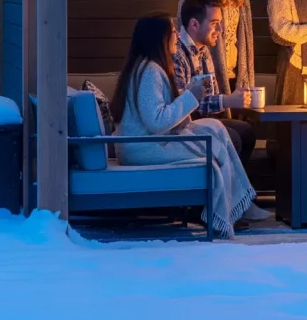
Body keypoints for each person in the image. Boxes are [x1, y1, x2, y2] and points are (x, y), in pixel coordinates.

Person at [109, 13, 265, 237]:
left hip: (148, 143)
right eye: (171, 31)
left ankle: (238, 203)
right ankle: (227, 212)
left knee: (217, 128)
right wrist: (191, 95)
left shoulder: (149, 67)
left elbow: (159, 109)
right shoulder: (150, 71)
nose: (176, 35)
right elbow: (156, 122)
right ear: (159, 38)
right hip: (145, 148)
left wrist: (188, 92)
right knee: (215, 145)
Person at [173, 0, 257, 168]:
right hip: (183, 126)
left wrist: (228, 99)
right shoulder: (177, 54)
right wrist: (227, 101)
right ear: (194, 24)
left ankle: (235, 190)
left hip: (201, 119)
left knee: (246, 132)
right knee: (233, 137)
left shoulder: (203, 49)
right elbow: (181, 104)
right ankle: (220, 188)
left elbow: (209, 93)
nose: (221, 30)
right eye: (214, 24)